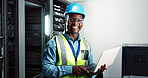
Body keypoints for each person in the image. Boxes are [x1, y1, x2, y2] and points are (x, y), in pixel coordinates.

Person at [42, 3, 108, 78]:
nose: (75, 23)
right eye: (72, 19)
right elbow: (46, 70)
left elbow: (89, 70)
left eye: (79, 20)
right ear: (66, 20)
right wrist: (71, 69)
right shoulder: (54, 43)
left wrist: (96, 72)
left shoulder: (86, 45)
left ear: (82, 22)